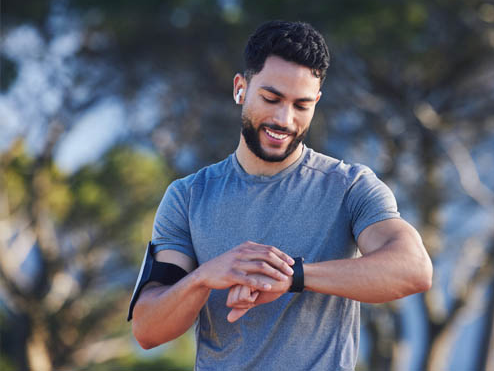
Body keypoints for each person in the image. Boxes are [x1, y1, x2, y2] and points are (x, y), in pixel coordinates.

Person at [129, 20, 432, 370]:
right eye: (271, 98)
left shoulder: (350, 186)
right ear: (240, 88)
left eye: (301, 105)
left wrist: (293, 277)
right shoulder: (187, 196)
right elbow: (147, 329)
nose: (284, 119)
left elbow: (414, 269)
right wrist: (203, 277)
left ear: (316, 102)